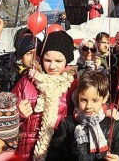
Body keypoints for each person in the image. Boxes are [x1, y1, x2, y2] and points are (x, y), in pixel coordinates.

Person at [11, 31, 78, 160]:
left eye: (58, 61)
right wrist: (17, 110)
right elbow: (7, 105)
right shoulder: (28, 80)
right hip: (25, 153)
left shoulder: (73, 86)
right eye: (48, 60)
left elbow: (90, 106)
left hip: (57, 153)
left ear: (67, 60)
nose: (52, 66)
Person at [46, 70, 119, 161]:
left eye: (95, 100)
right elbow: (55, 152)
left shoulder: (112, 124)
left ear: (104, 99)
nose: (88, 106)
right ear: (77, 97)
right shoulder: (68, 124)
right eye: (83, 100)